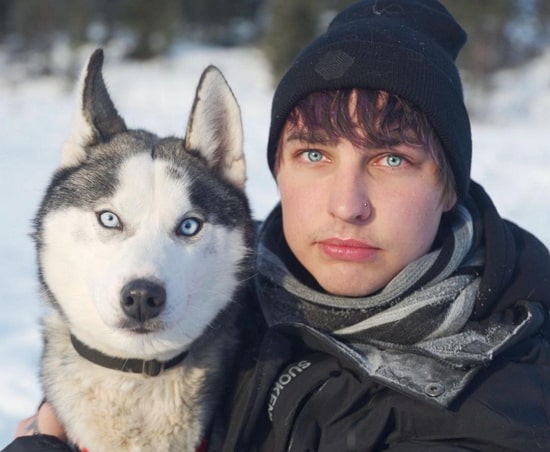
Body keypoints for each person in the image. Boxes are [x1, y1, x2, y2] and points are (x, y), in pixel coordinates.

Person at [5, 0, 550, 451]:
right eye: (314, 155)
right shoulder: (234, 300)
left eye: (392, 160)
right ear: (275, 171)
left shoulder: (504, 405)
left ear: (450, 187)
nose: (346, 205)